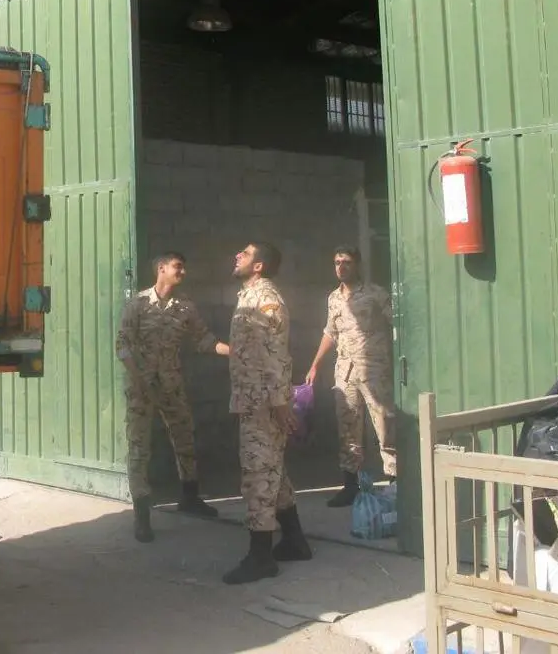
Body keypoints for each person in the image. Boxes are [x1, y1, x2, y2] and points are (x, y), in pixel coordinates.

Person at [115, 251, 231, 543]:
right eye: (178, 267)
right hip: (141, 389)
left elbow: (204, 340)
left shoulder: (185, 307)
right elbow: (122, 345)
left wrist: (234, 350)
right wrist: (138, 377)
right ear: (161, 269)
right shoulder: (138, 304)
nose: (183, 272)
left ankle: (190, 497)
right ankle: (142, 515)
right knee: (139, 448)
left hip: (171, 385)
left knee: (185, 439)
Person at [223, 242, 312, 585]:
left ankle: (260, 557)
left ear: (258, 266)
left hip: (264, 403)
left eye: (244, 254)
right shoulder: (248, 295)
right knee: (272, 470)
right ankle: (294, 541)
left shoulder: (265, 299)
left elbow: (276, 355)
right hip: (254, 400)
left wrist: (279, 404)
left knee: (258, 476)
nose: (237, 256)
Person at [305, 245, 397, 507]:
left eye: (346, 262)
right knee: (347, 428)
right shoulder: (334, 298)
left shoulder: (375, 294)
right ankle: (350, 485)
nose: (341, 267)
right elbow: (330, 332)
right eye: (337, 263)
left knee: (385, 425)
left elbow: (397, 323)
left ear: (357, 265)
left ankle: (396, 483)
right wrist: (315, 365)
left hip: (374, 369)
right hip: (345, 372)